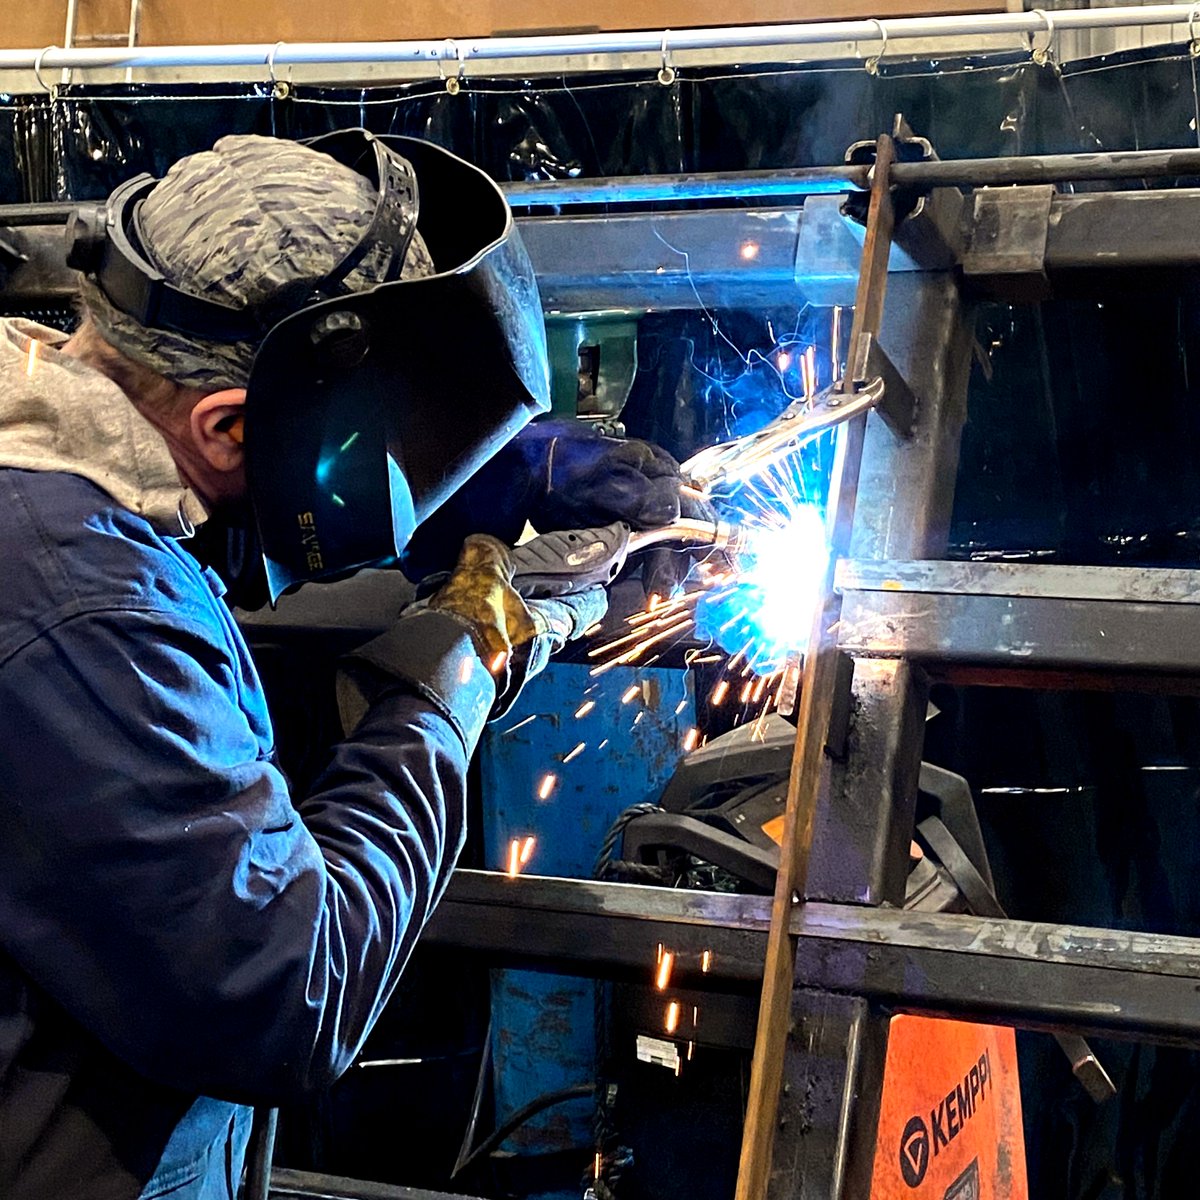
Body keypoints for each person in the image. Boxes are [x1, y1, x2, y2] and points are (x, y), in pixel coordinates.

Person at [0, 130, 694, 1199]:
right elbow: (290, 990)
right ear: (227, 426)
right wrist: (453, 670)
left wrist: (502, 472)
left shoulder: (57, 472)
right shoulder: (85, 609)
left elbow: (214, 613)